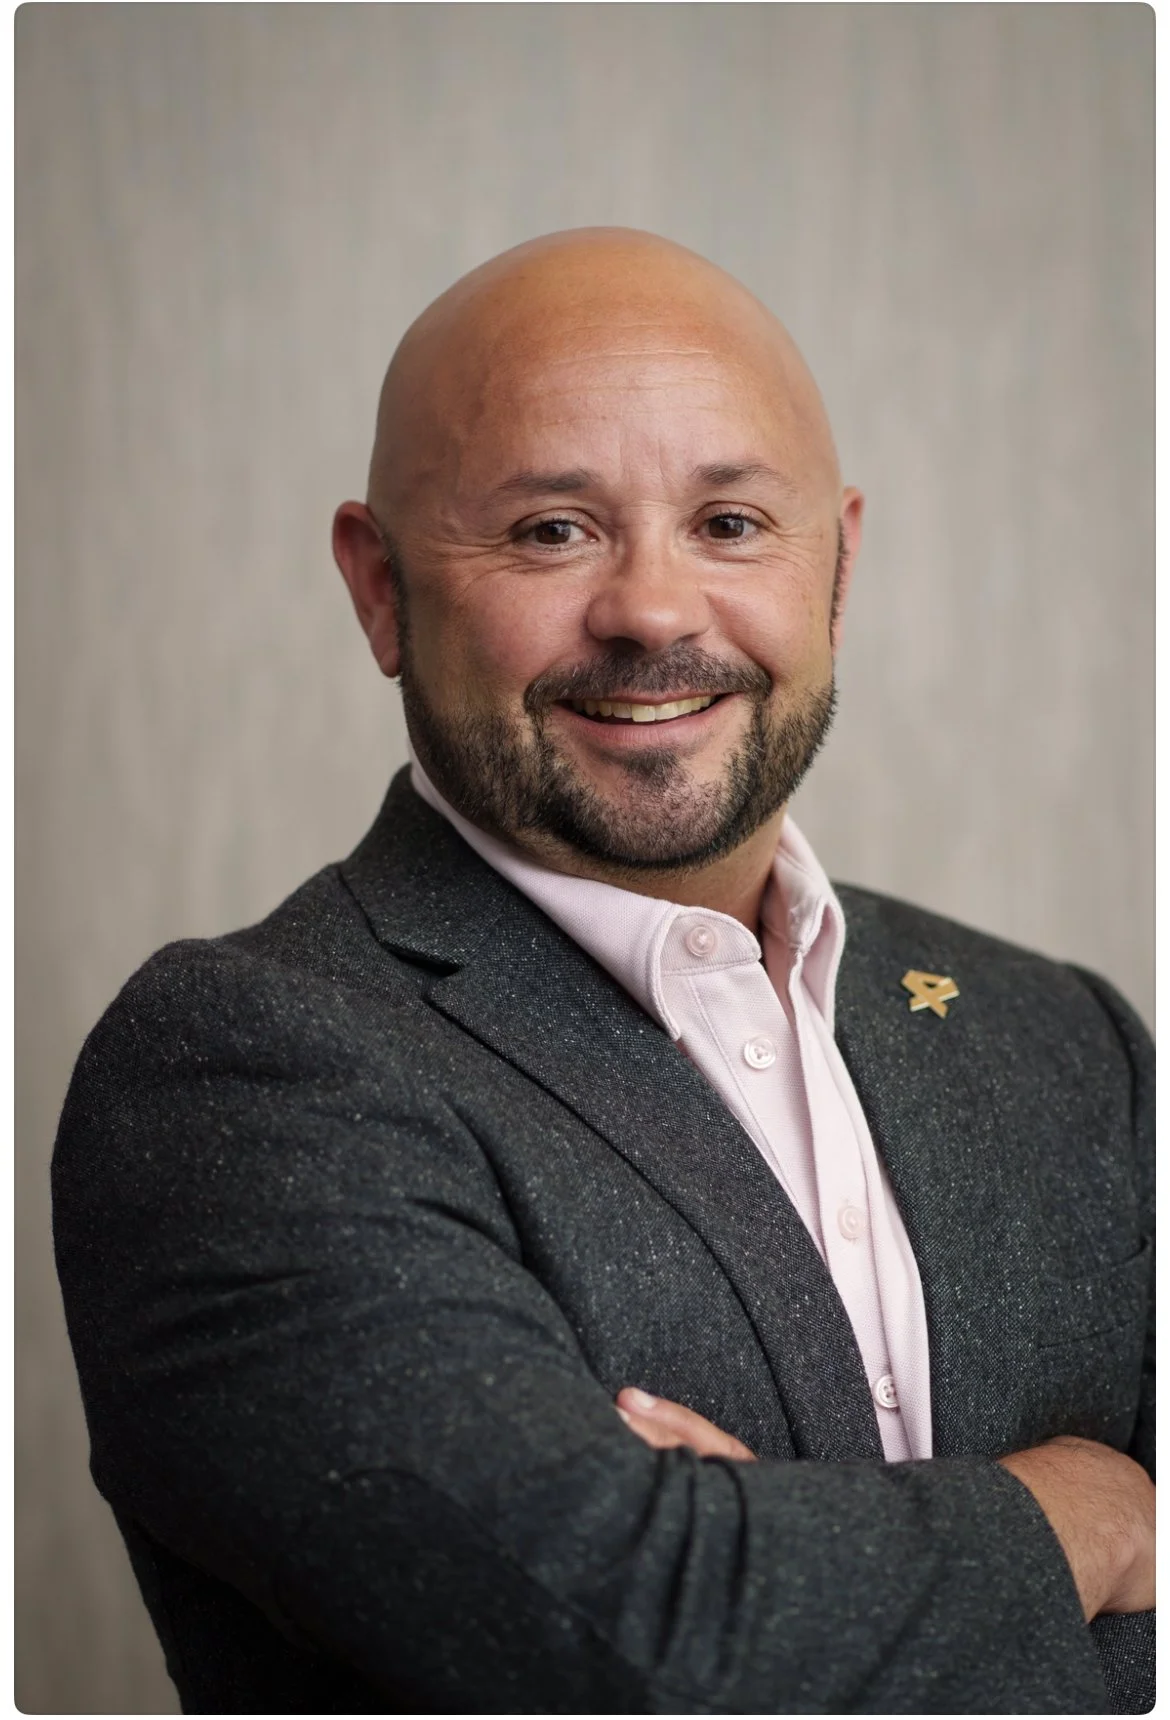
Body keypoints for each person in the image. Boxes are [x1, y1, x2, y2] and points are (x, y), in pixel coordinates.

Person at [53, 228, 1153, 1714]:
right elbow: (634, 1652)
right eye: (552, 529)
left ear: (836, 566)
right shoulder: (240, 1066)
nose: (650, 610)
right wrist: (1093, 1515)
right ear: (379, 590)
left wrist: (790, 1568)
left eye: (730, 523)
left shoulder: (1063, 1037)